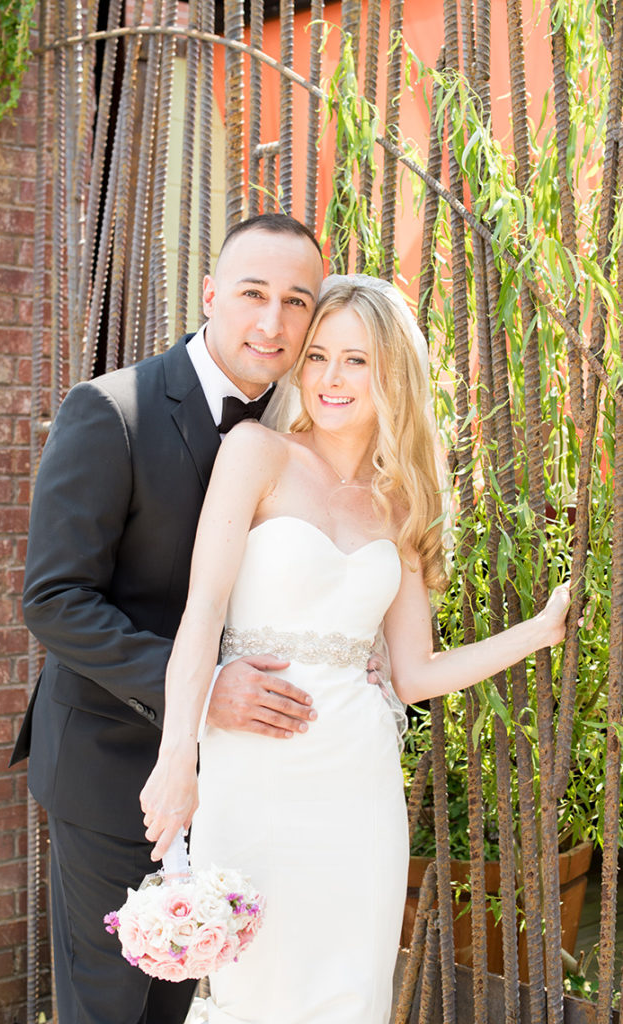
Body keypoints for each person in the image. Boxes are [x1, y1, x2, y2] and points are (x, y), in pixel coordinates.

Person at [140, 277, 571, 1024]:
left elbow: (415, 674)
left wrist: (539, 631)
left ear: (392, 372)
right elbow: (203, 611)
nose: (331, 380)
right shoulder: (256, 453)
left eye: (357, 361)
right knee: (257, 989)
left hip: (358, 787)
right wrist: (178, 753)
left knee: (351, 994)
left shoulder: (401, 499)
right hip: (253, 775)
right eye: (318, 358)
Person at [10, 213, 325, 1024]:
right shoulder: (111, 410)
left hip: (241, 781)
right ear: (212, 294)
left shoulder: (306, 430)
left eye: (297, 302)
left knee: (180, 1008)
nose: (272, 321)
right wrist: (203, 689)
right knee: (113, 1006)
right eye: (254, 293)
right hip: (112, 764)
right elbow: (54, 598)